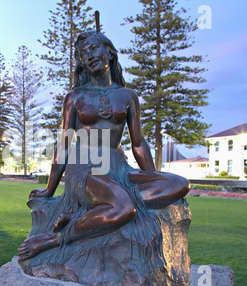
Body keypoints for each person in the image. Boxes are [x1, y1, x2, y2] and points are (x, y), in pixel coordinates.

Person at [18, 30, 190, 262]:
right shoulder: (75, 97)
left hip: (118, 167)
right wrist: (50, 190)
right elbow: (65, 145)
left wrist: (152, 176)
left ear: (109, 52)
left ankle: (88, 213)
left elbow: (138, 143)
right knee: (123, 208)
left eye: (93, 49)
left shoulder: (128, 95)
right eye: (82, 54)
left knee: (178, 183)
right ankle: (53, 240)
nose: (88, 56)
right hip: (85, 169)